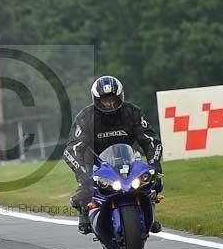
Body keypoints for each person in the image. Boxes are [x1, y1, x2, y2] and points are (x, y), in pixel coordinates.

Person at [63, 75, 164, 235]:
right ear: (97, 99)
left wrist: (155, 164)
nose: (109, 103)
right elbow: (71, 150)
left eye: (113, 99)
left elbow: (151, 141)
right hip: (96, 163)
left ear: (120, 97)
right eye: (105, 100)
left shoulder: (132, 112)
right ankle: (85, 214)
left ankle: (150, 214)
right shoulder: (85, 116)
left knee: (154, 183)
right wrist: (82, 173)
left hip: (128, 159)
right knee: (83, 193)